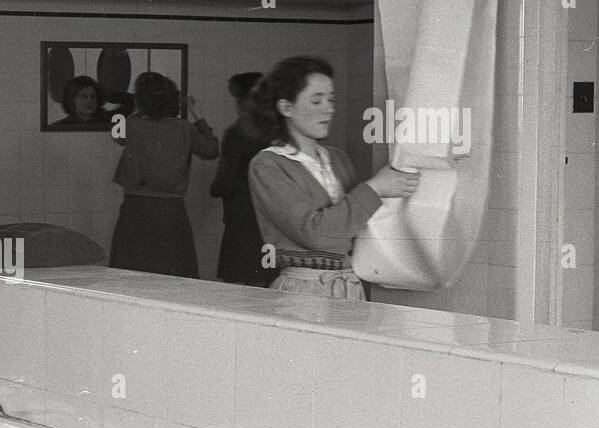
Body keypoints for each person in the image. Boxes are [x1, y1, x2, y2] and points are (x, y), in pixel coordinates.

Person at [246, 56, 419, 299]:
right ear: (286, 108)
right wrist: (374, 188)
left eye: (331, 99)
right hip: (303, 292)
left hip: (350, 287)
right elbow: (315, 233)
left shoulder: (337, 158)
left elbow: (355, 223)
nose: (329, 108)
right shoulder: (268, 165)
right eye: (316, 101)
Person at [108, 70, 218, 277]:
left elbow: (116, 134)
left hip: (136, 207)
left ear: (141, 99)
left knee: (131, 271)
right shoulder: (185, 128)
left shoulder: (131, 126)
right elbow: (212, 150)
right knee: (173, 269)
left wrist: (137, 110)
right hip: (171, 210)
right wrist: (198, 116)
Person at [209, 70, 278, 287]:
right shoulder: (282, 131)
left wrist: (215, 188)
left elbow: (223, 183)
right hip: (277, 221)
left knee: (242, 289)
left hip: (244, 220)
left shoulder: (237, 134)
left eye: (237, 98)